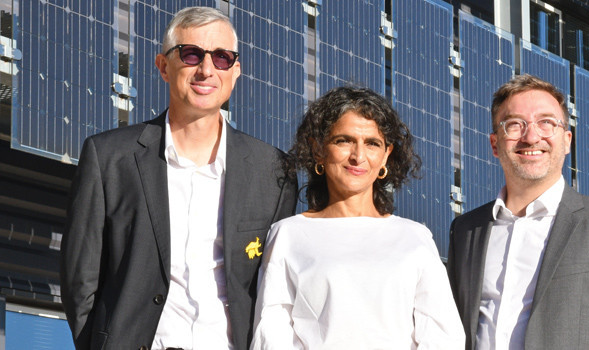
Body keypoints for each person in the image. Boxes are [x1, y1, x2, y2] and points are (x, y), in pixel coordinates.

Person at [60, 7, 297, 350]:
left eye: (222, 58)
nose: (206, 70)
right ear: (163, 66)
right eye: (191, 54)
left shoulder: (274, 171)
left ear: (236, 71)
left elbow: (275, 287)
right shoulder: (109, 157)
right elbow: (79, 279)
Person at [447, 74, 589, 349]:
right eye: (514, 124)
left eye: (546, 123)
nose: (531, 136)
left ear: (567, 140)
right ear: (495, 144)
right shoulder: (465, 231)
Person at [250, 86, 465, 349]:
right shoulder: (288, 234)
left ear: (386, 155)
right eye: (344, 140)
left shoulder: (416, 238)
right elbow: (271, 333)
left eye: (372, 144)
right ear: (318, 149)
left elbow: (443, 336)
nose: (358, 156)